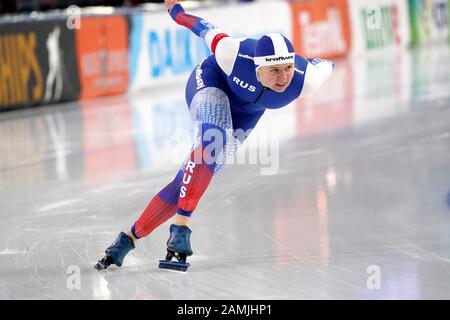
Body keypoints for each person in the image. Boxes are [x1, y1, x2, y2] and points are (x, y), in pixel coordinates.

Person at [95, 0, 334, 272]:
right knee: (212, 143)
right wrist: (177, 12)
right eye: (274, 70)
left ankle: (127, 239)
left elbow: (326, 64)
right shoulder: (232, 53)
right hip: (211, 82)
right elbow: (203, 28)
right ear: (257, 67)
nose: (283, 78)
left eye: (288, 68)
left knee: (191, 176)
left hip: (247, 114)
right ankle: (181, 229)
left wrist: (313, 64)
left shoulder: (307, 79)